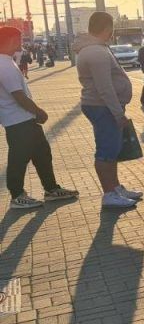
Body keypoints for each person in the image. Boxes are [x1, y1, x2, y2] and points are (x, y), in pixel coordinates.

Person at [0, 26, 79, 210]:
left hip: (25, 119)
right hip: (18, 121)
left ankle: (51, 189)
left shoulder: (7, 62)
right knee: (19, 159)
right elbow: (18, 96)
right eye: (19, 39)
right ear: (10, 40)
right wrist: (38, 112)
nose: (22, 43)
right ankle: (17, 196)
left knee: (42, 153)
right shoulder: (3, 65)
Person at [74, 11, 140, 208]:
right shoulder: (95, 52)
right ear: (108, 28)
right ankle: (109, 193)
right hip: (102, 107)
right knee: (107, 150)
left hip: (103, 106)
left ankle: (115, 187)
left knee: (113, 148)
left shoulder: (95, 48)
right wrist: (118, 114)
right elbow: (105, 87)